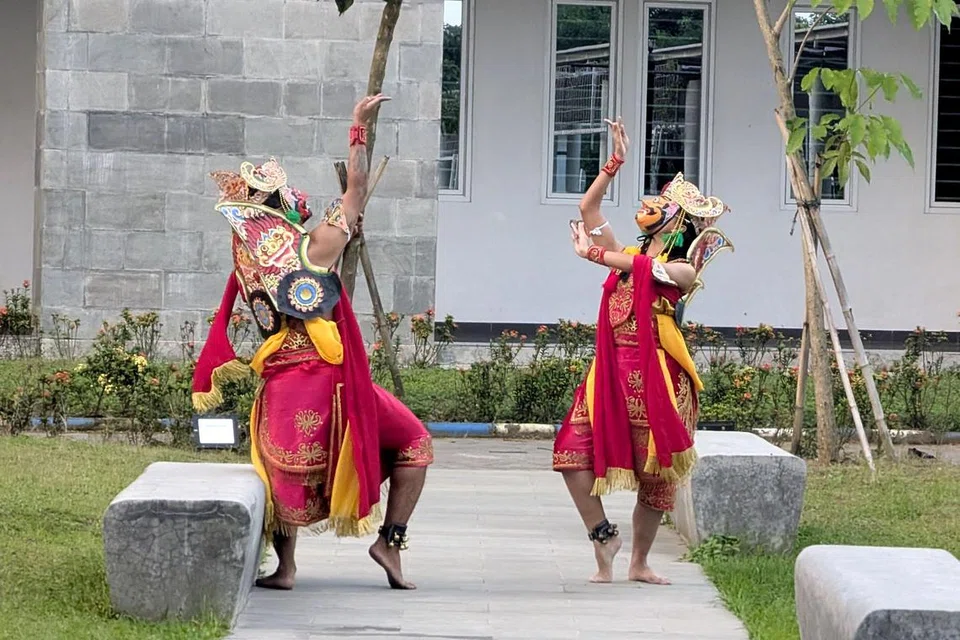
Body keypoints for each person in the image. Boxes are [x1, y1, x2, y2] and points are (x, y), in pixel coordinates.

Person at [191, 94, 433, 591]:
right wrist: (358, 130)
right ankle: (391, 540)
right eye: (288, 194)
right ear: (280, 208)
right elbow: (357, 190)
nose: (298, 196)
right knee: (414, 443)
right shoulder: (312, 246)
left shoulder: (246, 260)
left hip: (279, 379)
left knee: (280, 473)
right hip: (329, 379)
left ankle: (286, 568)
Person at [553, 117, 732, 585]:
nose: (651, 204)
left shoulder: (679, 268)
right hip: (610, 376)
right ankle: (604, 536)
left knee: (656, 479)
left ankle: (639, 562)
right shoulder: (627, 253)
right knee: (570, 454)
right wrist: (616, 161)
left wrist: (591, 255)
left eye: (663, 203)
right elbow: (587, 208)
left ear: (678, 221)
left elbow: (639, 267)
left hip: (660, 380)